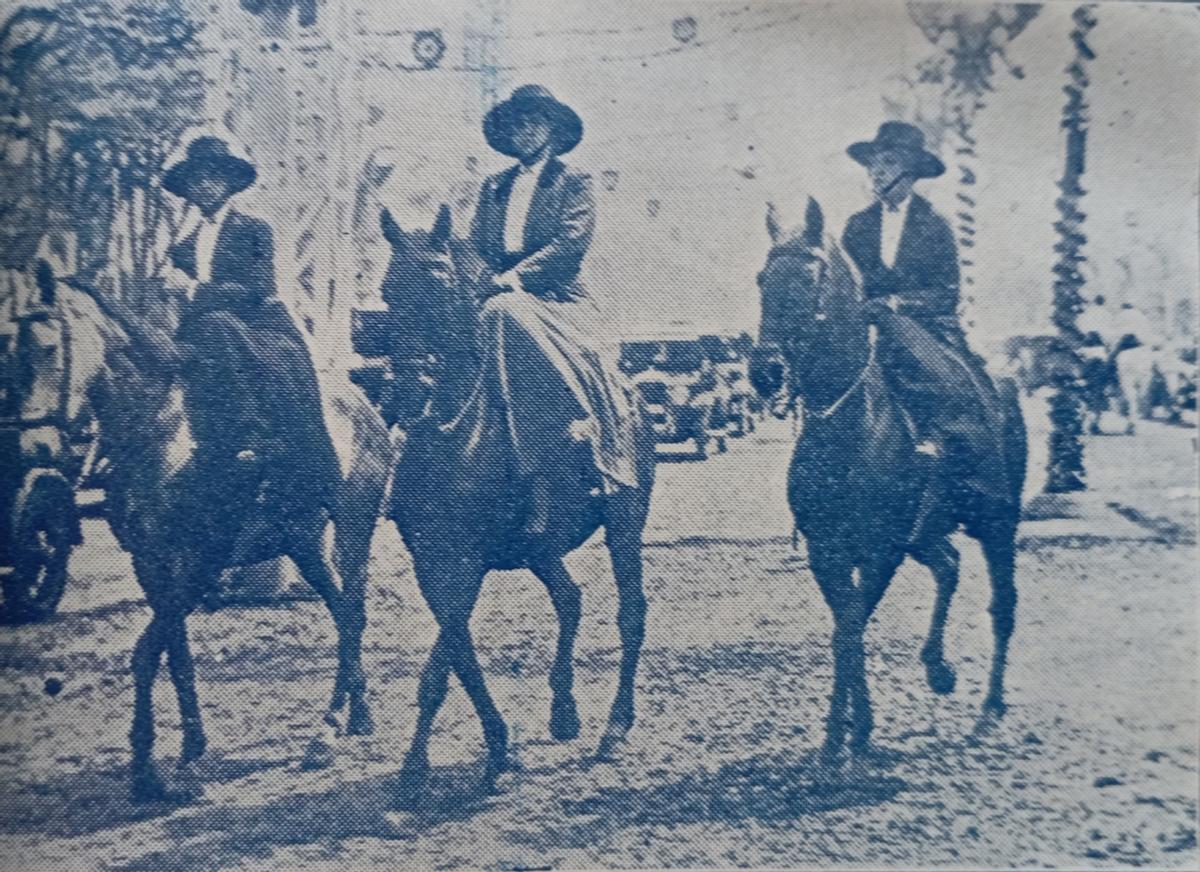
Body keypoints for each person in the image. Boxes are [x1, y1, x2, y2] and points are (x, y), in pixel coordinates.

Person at [99, 136, 340, 563]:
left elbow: (257, 290)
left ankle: (250, 431)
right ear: (188, 189)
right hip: (206, 334)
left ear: (229, 183)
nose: (205, 187)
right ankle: (129, 447)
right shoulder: (185, 244)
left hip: (259, 329)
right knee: (141, 354)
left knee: (216, 324)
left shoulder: (253, 229)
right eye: (197, 180)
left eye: (214, 178)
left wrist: (194, 289)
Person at [470, 84, 639, 533]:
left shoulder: (573, 182)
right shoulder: (493, 187)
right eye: (516, 124)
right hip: (498, 293)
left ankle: (587, 440)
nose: (523, 132)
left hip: (556, 296)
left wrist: (516, 279)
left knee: (504, 314)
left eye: (533, 123)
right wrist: (482, 276)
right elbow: (477, 245)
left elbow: (571, 244)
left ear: (552, 130)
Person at [841, 121, 1011, 502]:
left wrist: (897, 303)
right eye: (872, 164)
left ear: (910, 172)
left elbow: (947, 293)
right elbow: (847, 284)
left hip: (925, 327)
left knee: (934, 373)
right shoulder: (856, 226)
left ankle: (934, 441)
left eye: (887, 162)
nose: (876, 172)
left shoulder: (935, 225)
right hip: (866, 326)